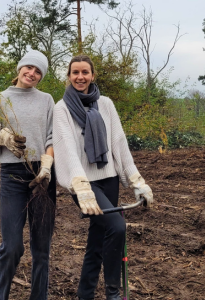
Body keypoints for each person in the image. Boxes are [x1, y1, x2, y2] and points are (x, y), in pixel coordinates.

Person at [52, 55, 154, 300]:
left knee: (98, 238)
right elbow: (66, 148)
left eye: (85, 72)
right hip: (85, 185)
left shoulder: (105, 104)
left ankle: (85, 293)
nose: (80, 77)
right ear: (68, 76)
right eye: (75, 72)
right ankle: (113, 293)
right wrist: (81, 186)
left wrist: (136, 180)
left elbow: (118, 142)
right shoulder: (61, 109)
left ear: (92, 76)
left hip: (109, 179)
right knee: (117, 228)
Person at [0, 50, 56, 300]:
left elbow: (52, 136)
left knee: (41, 248)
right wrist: (1, 139)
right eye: (29, 68)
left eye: (38, 72)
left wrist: (47, 165)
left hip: (42, 176)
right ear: (20, 68)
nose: (32, 74)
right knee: (12, 246)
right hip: (12, 175)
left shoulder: (46, 100)